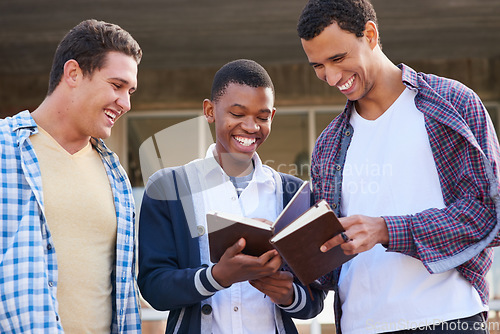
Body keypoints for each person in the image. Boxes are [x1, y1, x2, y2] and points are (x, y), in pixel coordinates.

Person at [297, 0, 500, 333]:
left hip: (447, 318)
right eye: (317, 66)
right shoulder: (328, 145)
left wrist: (388, 229)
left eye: (338, 58)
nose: (331, 77)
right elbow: (329, 264)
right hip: (360, 325)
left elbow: (490, 215)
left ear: (371, 35)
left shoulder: (452, 103)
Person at [137, 59, 325, 334]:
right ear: (210, 111)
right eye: (237, 114)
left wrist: (288, 295)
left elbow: (315, 297)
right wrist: (217, 277)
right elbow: (154, 287)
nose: (251, 127)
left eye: (262, 117)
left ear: (271, 116)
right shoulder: (169, 188)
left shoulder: (293, 193)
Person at [0, 19, 142, 333]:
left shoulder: (114, 172)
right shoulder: (4, 149)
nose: (126, 103)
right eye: (117, 86)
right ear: (74, 74)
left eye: (130, 91)